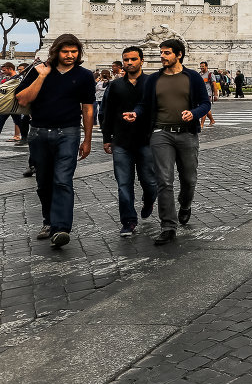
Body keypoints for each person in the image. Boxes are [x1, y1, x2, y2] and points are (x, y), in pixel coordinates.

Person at [126, 38, 211, 246]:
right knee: (164, 180)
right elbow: (144, 104)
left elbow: (205, 103)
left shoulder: (192, 77)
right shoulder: (154, 79)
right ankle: (168, 226)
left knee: (189, 179)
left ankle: (185, 204)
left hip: (187, 134)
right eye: (161, 52)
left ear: (179, 54)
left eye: (166, 53)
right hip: (160, 133)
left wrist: (194, 113)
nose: (162, 56)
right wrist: (136, 113)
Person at [15, 33, 95, 249]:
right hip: (38, 132)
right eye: (65, 51)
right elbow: (22, 99)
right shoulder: (38, 71)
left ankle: (61, 227)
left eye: (74, 51)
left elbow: (87, 109)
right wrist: (41, 77)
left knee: (62, 180)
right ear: (56, 52)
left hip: (68, 133)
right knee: (43, 183)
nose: (70, 55)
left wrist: (87, 139)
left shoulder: (85, 75)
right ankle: (48, 221)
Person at [100, 46, 158, 237]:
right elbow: (105, 113)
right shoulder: (115, 85)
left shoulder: (151, 82)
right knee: (123, 183)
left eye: (133, 59)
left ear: (142, 61)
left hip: (146, 140)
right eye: (126, 60)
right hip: (121, 141)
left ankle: (149, 200)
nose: (130, 63)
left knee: (149, 181)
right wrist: (107, 138)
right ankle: (128, 221)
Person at [197, 61, 216, 127]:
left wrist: (216, 95)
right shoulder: (199, 74)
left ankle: (201, 124)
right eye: (200, 66)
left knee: (203, 108)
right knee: (206, 109)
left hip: (207, 94)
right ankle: (212, 120)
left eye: (203, 66)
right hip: (200, 94)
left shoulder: (210, 74)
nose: (201, 68)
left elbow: (214, 85)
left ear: (206, 66)